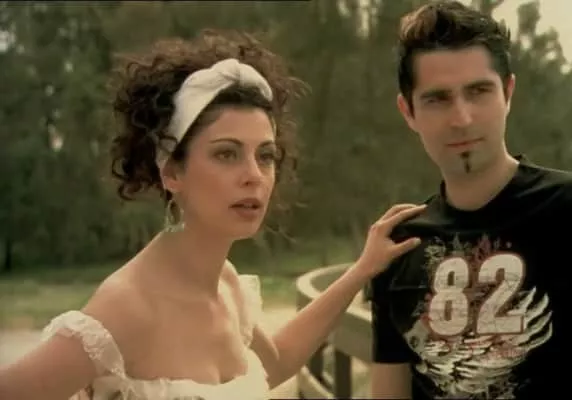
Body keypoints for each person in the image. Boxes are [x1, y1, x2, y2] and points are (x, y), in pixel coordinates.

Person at [0, 29, 425, 400]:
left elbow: (276, 362)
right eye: (226, 154)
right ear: (172, 171)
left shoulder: (227, 285)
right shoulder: (130, 306)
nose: (253, 175)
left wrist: (362, 270)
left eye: (265, 155)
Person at [368, 2, 572, 399]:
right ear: (408, 111)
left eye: (478, 91)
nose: (462, 118)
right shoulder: (401, 246)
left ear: (507, 93)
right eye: (437, 99)